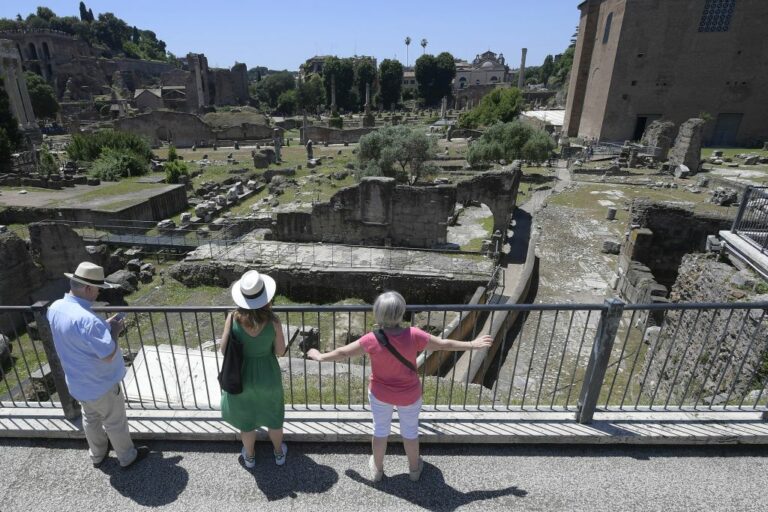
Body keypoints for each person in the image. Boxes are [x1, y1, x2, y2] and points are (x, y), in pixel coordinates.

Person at [306, 291, 492, 482]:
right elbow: (444, 344)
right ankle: (414, 470)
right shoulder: (414, 335)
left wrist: (321, 356)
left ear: (377, 313)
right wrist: (472, 344)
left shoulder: (371, 339)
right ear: (401, 312)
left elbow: (343, 352)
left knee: (380, 431)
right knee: (410, 432)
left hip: (380, 394)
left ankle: (377, 471)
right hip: (409, 394)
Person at [47, 262, 149, 469]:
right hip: (100, 383)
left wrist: (103, 326)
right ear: (87, 288)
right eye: (98, 289)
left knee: (90, 418)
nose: (98, 293)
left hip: (77, 381)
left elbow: (76, 338)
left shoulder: (55, 307)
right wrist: (114, 331)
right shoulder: (88, 320)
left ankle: (97, 453)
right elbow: (108, 354)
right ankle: (127, 456)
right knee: (114, 421)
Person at [220, 270, 287, 468]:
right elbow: (281, 351)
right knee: (274, 417)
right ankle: (278, 453)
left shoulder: (233, 319)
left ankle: (249, 456)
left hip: (241, 375)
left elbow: (224, 350)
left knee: (246, 421)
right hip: (268, 374)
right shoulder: (274, 322)